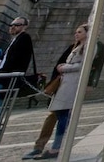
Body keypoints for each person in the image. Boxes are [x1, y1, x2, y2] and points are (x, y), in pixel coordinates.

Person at [31, 24, 88, 159]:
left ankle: (57, 148)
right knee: (60, 115)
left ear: (87, 33)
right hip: (64, 84)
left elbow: (84, 64)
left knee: (63, 116)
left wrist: (65, 67)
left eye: (79, 32)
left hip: (71, 85)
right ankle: (55, 147)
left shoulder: (87, 47)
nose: (76, 34)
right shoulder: (76, 46)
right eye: (76, 32)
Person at [0, 17, 32, 153]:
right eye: (12, 24)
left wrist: (1, 74)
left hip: (1, 81)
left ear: (25, 26)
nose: (12, 27)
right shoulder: (16, 40)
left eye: (17, 25)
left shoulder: (24, 38)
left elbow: (17, 61)